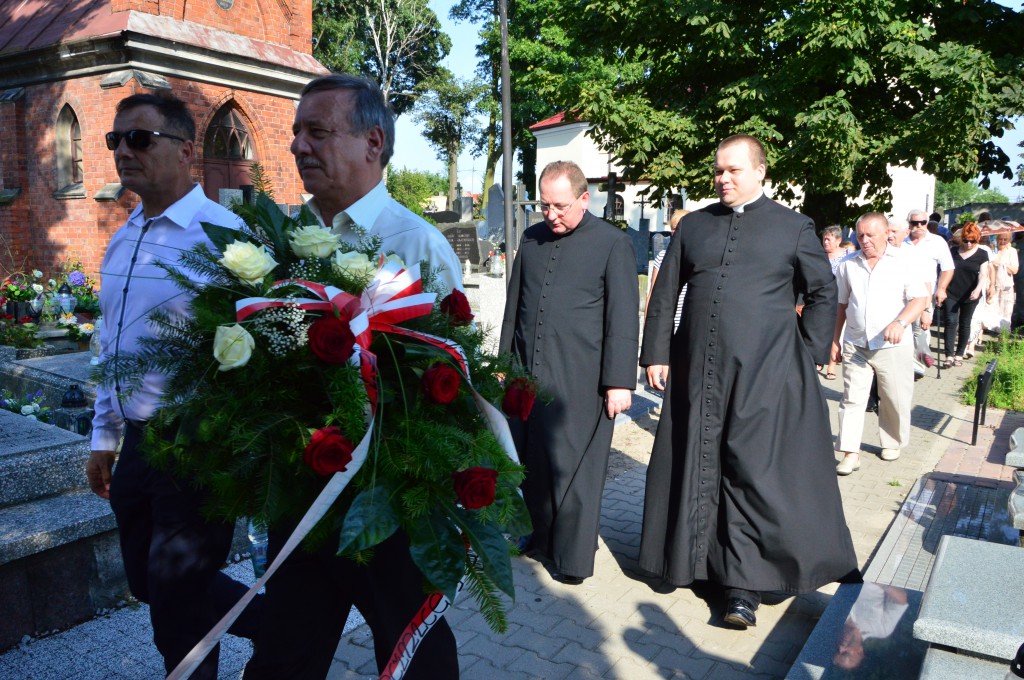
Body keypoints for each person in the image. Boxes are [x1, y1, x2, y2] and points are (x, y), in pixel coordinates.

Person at [245, 74, 461, 680]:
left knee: (416, 650)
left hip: (385, 501)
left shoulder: (415, 243)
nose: (297, 146)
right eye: (294, 132)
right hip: (300, 490)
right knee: (285, 651)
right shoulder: (280, 240)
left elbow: (452, 385)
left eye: (317, 131)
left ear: (372, 142)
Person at [639, 134, 858, 629]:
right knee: (695, 462)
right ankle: (688, 564)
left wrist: (802, 354)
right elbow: (667, 288)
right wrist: (655, 352)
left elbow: (823, 292)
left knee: (748, 472)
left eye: (734, 170)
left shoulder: (793, 227)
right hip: (696, 370)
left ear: (761, 172)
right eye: (719, 170)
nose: (723, 179)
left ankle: (742, 589)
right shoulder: (695, 225)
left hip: (765, 374)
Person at [85, 92, 263, 680]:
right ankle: (269, 619)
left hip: (197, 445)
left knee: (178, 611)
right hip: (138, 439)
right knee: (148, 581)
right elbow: (112, 345)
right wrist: (102, 436)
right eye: (116, 140)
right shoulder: (124, 236)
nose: (122, 151)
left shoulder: (226, 237)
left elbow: (259, 349)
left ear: (186, 150)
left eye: (139, 138)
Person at [499, 160, 639, 585]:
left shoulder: (612, 244)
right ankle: (539, 538)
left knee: (576, 471)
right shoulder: (532, 237)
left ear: (584, 198)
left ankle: (573, 559)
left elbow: (622, 317)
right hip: (529, 373)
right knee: (534, 463)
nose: (551, 215)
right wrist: (504, 364)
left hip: (583, 378)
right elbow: (514, 306)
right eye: (545, 205)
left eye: (560, 206)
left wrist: (619, 382)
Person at [833, 213, 929, 475]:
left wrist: (901, 322)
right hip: (856, 342)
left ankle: (892, 441)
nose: (865, 241)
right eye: (860, 235)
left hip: (892, 344)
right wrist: (835, 340)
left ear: (886, 233)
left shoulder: (904, 262)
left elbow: (919, 299)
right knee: (851, 398)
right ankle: (850, 453)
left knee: (893, 397)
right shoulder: (848, 265)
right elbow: (842, 304)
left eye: (870, 235)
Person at [905, 209, 955, 369]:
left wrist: (942, 288)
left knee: (921, 328)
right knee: (905, 327)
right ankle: (907, 362)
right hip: (902, 292)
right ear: (909, 224)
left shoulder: (937, 241)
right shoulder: (902, 241)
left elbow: (948, 267)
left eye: (922, 222)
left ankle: (918, 365)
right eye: (914, 223)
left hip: (925, 292)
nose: (919, 226)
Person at [940, 222, 991, 367]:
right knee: (950, 322)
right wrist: (941, 289)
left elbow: (983, 274)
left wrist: (978, 289)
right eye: (966, 240)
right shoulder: (953, 251)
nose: (969, 244)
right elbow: (945, 270)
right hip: (952, 292)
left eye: (973, 241)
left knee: (965, 323)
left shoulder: (982, 254)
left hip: (970, 294)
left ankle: (959, 354)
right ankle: (949, 355)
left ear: (978, 239)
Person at [645, 208, 690, 331]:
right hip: (668, 325)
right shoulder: (662, 257)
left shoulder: (698, 257)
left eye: (679, 228)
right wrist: (647, 325)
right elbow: (653, 293)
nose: (675, 232)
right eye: (673, 228)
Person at [821, 224, 853, 379]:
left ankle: (832, 365)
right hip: (823, 299)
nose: (825, 242)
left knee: (835, 332)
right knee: (823, 331)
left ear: (838, 240)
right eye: (824, 239)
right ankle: (819, 358)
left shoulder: (847, 256)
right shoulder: (820, 256)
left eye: (829, 239)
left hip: (841, 299)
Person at [986, 227, 1019, 332]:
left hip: (1006, 287)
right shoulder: (992, 250)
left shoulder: (1012, 251)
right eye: (1001, 239)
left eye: (1005, 239)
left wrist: (1001, 265)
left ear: (1009, 240)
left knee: (1005, 312)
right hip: (992, 285)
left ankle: (1002, 339)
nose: (1003, 241)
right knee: (989, 311)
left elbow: (1014, 270)